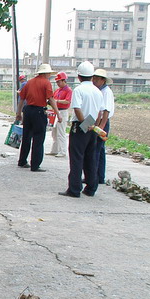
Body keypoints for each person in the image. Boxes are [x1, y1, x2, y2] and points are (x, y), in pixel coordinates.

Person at [59, 61, 105, 198]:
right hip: (92, 125)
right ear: (92, 76)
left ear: (79, 76)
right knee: (90, 157)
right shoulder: (97, 91)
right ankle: (91, 188)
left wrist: (84, 123)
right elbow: (100, 112)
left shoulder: (79, 90)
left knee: (77, 157)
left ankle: (74, 189)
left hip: (80, 125)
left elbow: (77, 108)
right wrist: (94, 126)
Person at [15, 63, 62, 172]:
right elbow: (51, 99)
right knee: (38, 138)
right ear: (46, 73)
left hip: (28, 111)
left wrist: (18, 113)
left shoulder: (29, 82)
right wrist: (58, 113)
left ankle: (22, 161)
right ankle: (35, 165)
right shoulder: (46, 83)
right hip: (39, 111)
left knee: (26, 137)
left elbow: (22, 99)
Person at [92, 68, 115, 184]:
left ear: (103, 80)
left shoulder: (106, 92)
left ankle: (95, 176)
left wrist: (100, 127)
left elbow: (106, 111)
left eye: (97, 79)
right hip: (98, 121)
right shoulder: (99, 91)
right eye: (94, 78)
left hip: (102, 122)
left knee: (96, 149)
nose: (94, 81)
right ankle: (99, 176)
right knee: (99, 150)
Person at [47, 71, 72, 157]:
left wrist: (56, 101)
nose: (57, 83)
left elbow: (67, 101)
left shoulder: (68, 90)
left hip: (63, 111)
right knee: (54, 132)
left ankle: (63, 151)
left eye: (59, 81)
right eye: (57, 82)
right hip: (55, 111)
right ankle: (55, 150)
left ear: (64, 80)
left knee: (61, 132)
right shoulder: (57, 90)